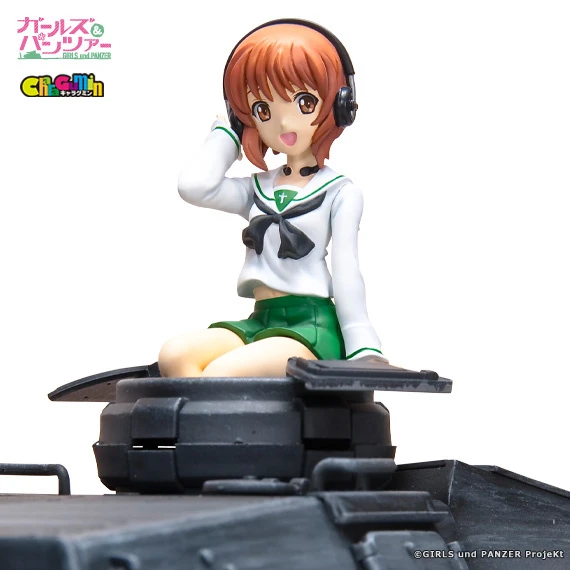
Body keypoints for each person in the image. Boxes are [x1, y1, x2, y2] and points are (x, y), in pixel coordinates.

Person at [159, 20, 387, 378]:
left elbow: (347, 270)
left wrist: (363, 346)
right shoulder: (256, 189)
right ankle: (214, 416)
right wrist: (227, 135)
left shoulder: (339, 192)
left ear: (340, 105)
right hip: (261, 320)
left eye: (303, 102)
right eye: (263, 110)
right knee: (175, 356)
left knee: (220, 374)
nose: (283, 123)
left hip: (310, 327)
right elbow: (194, 187)